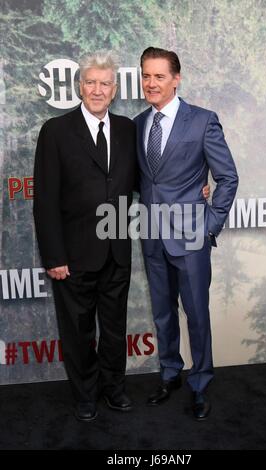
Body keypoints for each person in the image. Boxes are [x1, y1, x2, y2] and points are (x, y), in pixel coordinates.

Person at [134, 47, 239, 421]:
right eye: (146, 75)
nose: (151, 83)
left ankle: (200, 384)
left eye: (159, 76)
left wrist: (210, 224)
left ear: (176, 79)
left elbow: (227, 177)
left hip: (192, 238)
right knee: (162, 314)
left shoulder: (203, 121)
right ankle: (169, 374)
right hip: (152, 237)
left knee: (196, 314)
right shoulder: (138, 123)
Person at [33, 52, 136, 421]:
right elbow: (44, 200)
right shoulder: (56, 131)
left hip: (117, 250)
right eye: (90, 82)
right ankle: (85, 395)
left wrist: (194, 190)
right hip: (73, 256)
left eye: (104, 83)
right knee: (78, 333)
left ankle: (114, 389)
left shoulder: (127, 129)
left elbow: (146, 182)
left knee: (114, 329)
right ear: (80, 86)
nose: (97, 89)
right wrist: (54, 256)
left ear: (114, 89)